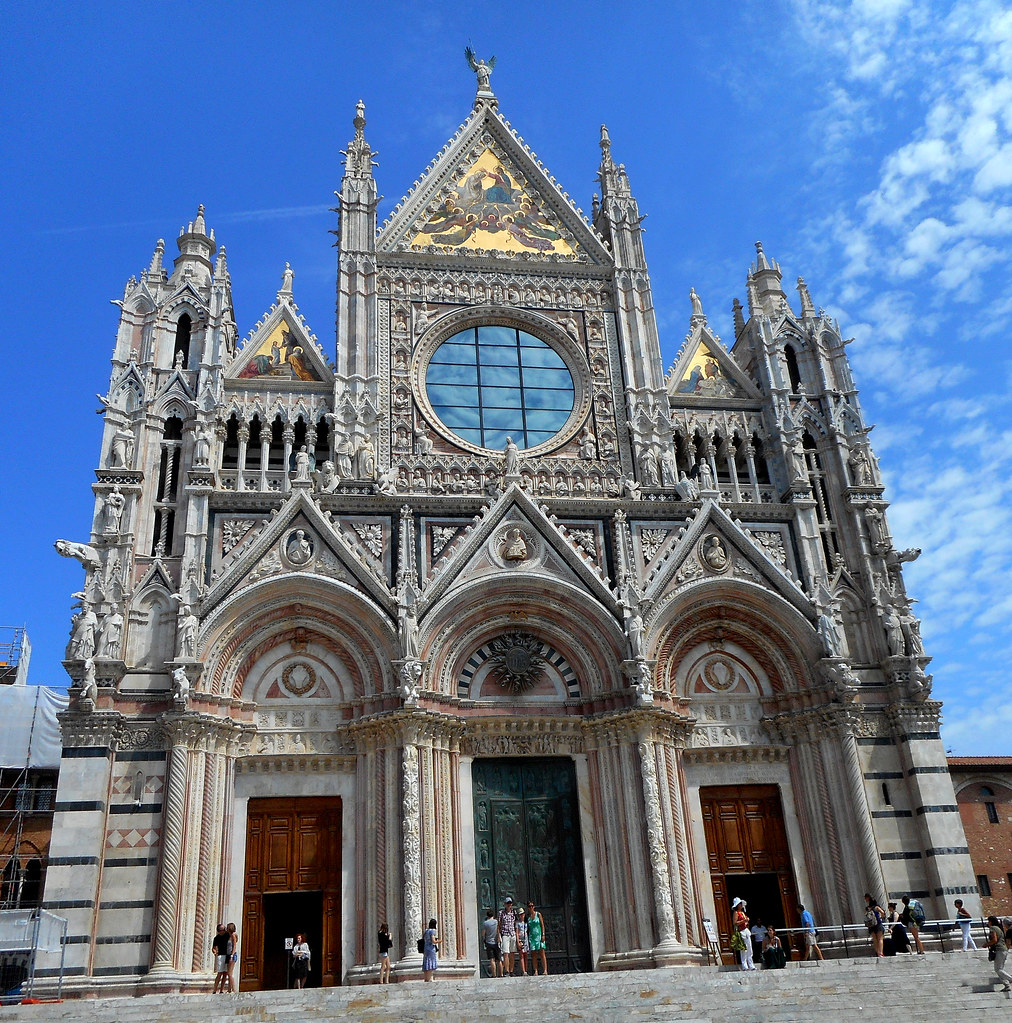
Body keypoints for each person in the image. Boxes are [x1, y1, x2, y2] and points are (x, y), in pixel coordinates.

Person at [987, 915, 1012, 991]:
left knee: (998, 969)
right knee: (999, 969)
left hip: (999, 949)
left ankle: (1010, 979)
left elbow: (994, 940)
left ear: (990, 922)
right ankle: (1006, 984)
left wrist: (987, 944)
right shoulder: (999, 928)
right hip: (1003, 950)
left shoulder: (993, 928)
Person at [732, 897, 755, 971]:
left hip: (746, 930)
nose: (741, 905)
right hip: (741, 931)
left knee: (749, 948)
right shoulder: (736, 913)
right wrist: (743, 921)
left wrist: (746, 921)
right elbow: (735, 923)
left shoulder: (742, 913)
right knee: (743, 949)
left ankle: (751, 964)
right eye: (740, 904)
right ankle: (744, 965)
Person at [526, 900, 547, 976]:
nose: (531, 907)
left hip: (539, 935)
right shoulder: (528, 917)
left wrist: (543, 935)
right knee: (534, 954)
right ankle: (536, 970)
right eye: (529, 906)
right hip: (532, 937)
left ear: (534, 906)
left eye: (532, 906)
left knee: (542, 953)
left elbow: (542, 925)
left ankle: (545, 970)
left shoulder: (538, 914)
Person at [498, 897, 518, 976]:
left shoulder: (514, 912)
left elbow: (516, 924)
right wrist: (498, 935)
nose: (509, 905)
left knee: (512, 953)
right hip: (505, 934)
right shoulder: (501, 913)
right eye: (508, 903)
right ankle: (506, 971)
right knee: (506, 953)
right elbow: (499, 925)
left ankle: (511, 970)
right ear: (505, 904)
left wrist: (517, 935)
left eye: (510, 903)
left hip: (512, 934)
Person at [482, 909, 502, 977]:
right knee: (499, 959)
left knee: (492, 960)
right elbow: (498, 930)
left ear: (487, 916)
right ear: (493, 915)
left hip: (489, 942)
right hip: (496, 942)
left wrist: (484, 939)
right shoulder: (496, 922)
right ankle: (501, 974)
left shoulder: (485, 923)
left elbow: (483, 933)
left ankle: (494, 975)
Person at [212, 923, 230, 993]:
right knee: (220, 973)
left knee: (225, 973)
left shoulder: (227, 935)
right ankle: (214, 989)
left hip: (227, 955)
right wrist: (215, 952)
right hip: (221, 956)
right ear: (219, 931)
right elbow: (213, 948)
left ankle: (221, 990)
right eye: (223, 929)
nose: (225, 930)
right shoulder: (216, 938)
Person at [515, 905, 528, 976]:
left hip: (526, 939)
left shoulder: (526, 922)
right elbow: (517, 932)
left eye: (522, 914)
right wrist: (518, 941)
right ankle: (523, 971)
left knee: (526, 955)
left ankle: (526, 969)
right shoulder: (517, 923)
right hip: (520, 939)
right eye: (520, 915)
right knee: (521, 955)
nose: (521, 916)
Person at [226, 921, 238, 992]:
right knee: (228, 973)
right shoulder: (229, 935)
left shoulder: (233, 935)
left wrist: (232, 955)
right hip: (228, 954)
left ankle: (233, 990)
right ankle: (229, 990)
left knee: (230, 973)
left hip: (232, 955)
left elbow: (234, 946)